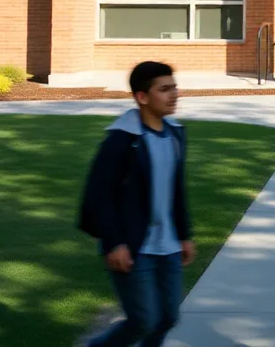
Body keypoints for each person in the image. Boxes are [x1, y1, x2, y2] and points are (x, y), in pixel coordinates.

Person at [77, 61, 196, 347]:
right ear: (142, 97)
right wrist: (114, 243)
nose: (174, 94)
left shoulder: (175, 133)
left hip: (168, 245)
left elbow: (176, 190)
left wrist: (184, 235)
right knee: (143, 320)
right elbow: (99, 195)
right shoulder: (121, 140)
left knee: (168, 318)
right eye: (164, 89)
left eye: (174, 87)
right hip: (133, 246)